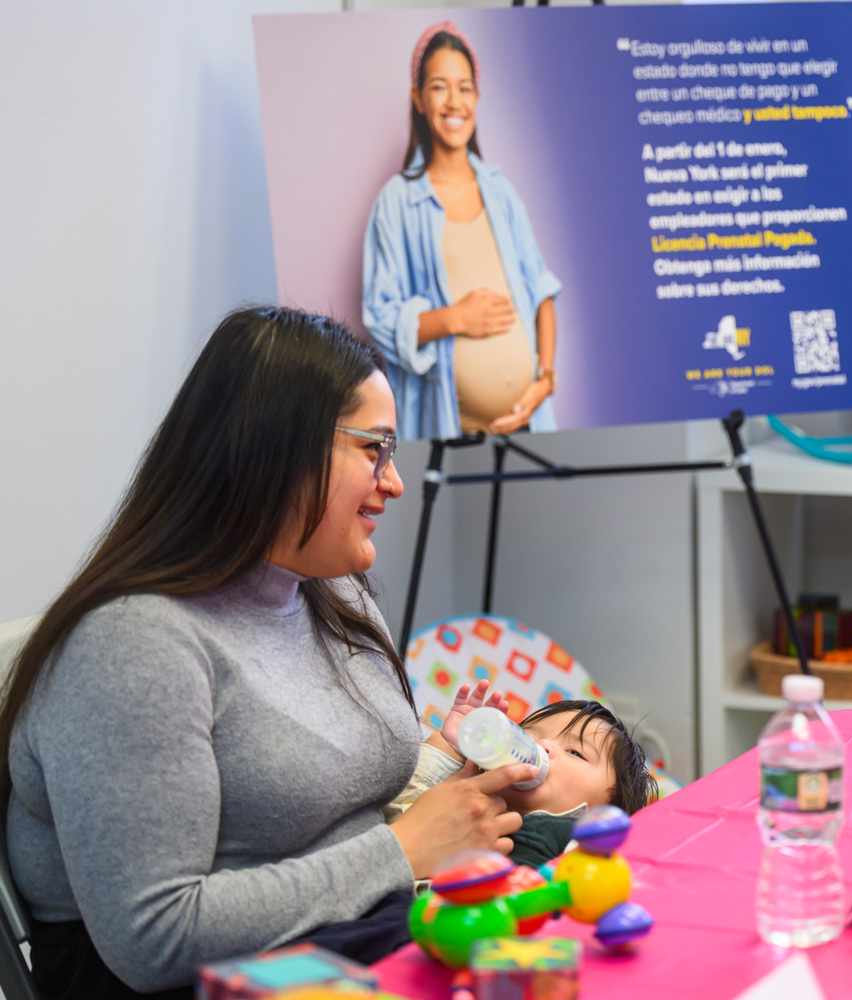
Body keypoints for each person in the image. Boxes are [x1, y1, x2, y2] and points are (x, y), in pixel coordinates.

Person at [3, 307, 537, 999]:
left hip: (355, 935)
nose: (394, 482)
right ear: (275, 448)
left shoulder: (331, 591)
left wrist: (457, 793)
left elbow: (352, 818)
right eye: (373, 447)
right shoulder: (131, 647)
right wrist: (402, 852)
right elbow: (155, 938)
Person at [363, 22, 561, 441]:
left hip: (531, 422)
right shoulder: (397, 201)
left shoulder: (501, 191)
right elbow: (379, 317)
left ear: (477, 97)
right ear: (418, 98)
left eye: (465, 87)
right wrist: (455, 318)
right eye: (439, 86)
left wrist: (543, 380)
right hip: (448, 432)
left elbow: (541, 289)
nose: (455, 101)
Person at [388, 683, 657, 869]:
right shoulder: (461, 802)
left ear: (607, 812)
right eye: (529, 735)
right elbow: (399, 814)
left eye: (575, 752)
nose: (543, 746)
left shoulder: (576, 843)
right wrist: (450, 749)